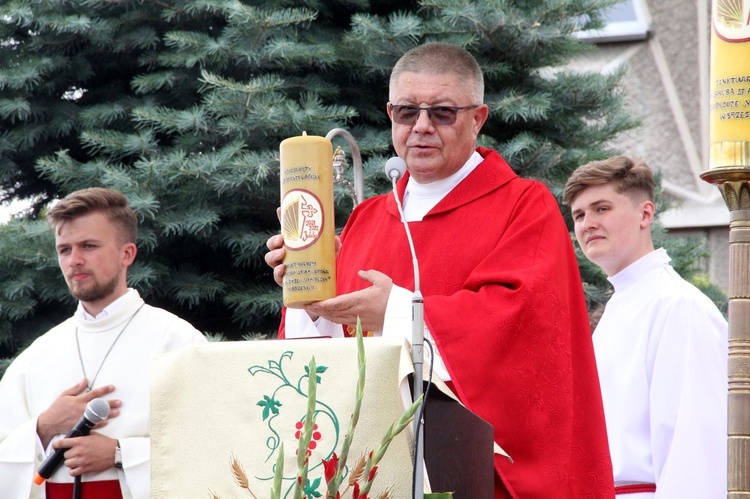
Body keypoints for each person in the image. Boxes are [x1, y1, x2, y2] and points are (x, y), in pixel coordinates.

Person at [266, 42, 614, 498]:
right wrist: (309, 301)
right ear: (390, 114)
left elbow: (519, 330)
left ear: (478, 118)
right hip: (371, 473)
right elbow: (322, 364)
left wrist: (394, 313)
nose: (422, 128)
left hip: (477, 473)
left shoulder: (523, 206)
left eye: (443, 113)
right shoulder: (368, 219)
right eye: (408, 112)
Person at [0, 187, 207, 499]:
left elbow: (212, 441)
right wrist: (43, 426)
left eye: (89, 246)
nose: (75, 261)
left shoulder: (176, 341)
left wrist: (120, 454)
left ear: (127, 254)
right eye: (64, 249)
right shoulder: (36, 357)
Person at [563, 156, 728, 498]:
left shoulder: (676, 305)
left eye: (601, 208)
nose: (587, 223)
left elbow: (694, 445)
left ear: (646, 213)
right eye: (579, 215)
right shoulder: (621, 305)